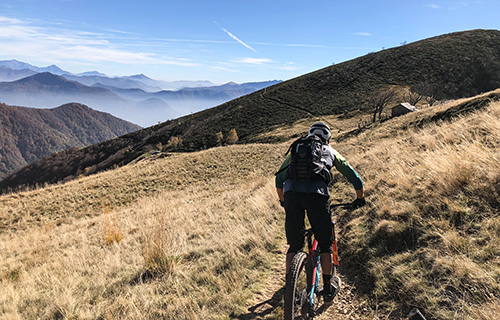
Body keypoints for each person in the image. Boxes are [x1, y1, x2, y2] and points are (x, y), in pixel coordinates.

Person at [275, 121, 365, 303]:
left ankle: (289, 287)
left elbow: (279, 179)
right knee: (325, 244)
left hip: (292, 195)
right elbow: (354, 178)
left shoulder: (297, 149)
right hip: (318, 196)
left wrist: (284, 201)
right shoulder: (330, 151)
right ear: (328, 139)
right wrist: (360, 198)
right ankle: (328, 287)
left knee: (294, 245)